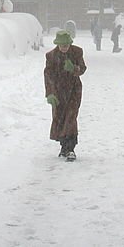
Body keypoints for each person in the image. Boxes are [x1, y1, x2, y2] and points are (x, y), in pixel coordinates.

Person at [44, 30, 87, 160]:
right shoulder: (51, 56)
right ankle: (64, 147)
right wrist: (50, 94)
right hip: (58, 91)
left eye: (66, 45)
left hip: (74, 90)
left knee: (71, 118)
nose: (64, 48)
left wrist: (74, 68)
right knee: (60, 118)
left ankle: (71, 149)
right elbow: (48, 76)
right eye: (61, 45)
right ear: (57, 44)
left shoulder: (77, 52)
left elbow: (83, 68)